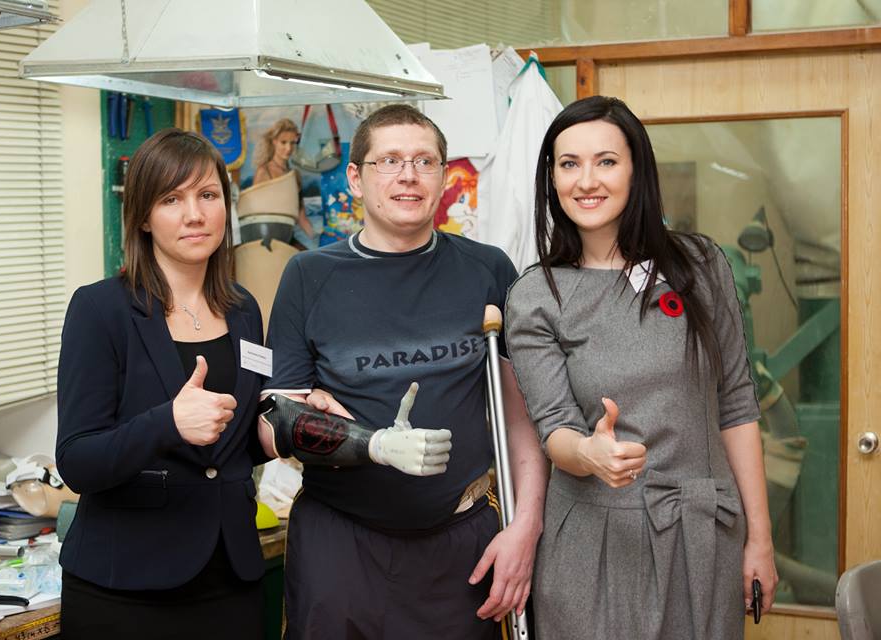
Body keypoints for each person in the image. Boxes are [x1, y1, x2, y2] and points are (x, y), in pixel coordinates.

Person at [258, 104, 548, 639]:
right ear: (356, 178)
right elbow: (274, 424)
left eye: (424, 161)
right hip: (339, 544)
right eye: (388, 161)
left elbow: (520, 418)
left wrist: (525, 528)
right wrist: (366, 443)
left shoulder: (487, 270)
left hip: (461, 543)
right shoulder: (308, 275)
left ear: (443, 175)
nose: (408, 175)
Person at [504, 96, 778, 640]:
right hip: (595, 539)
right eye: (568, 163)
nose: (587, 180)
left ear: (636, 171)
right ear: (551, 180)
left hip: (703, 531)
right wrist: (588, 452)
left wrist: (761, 539)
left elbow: (737, 405)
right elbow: (554, 427)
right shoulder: (537, 295)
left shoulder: (700, 266)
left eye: (606, 161)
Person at [56, 129, 267, 639]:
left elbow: (234, 447)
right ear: (144, 217)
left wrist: (294, 418)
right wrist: (166, 423)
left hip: (231, 581)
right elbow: (78, 461)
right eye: (172, 199)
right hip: (126, 589)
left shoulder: (243, 310)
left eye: (208, 195)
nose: (195, 214)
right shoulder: (100, 309)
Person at [253, 117, 313, 239]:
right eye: (283, 142)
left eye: (292, 143)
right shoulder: (264, 172)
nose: (288, 148)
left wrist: (316, 241)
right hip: (267, 238)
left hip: (290, 234)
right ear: (274, 141)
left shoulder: (295, 175)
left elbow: (302, 217)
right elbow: (255, 215)